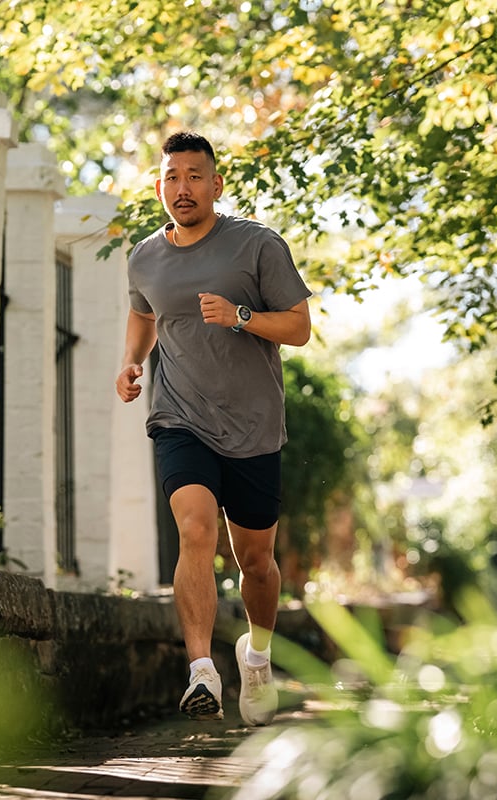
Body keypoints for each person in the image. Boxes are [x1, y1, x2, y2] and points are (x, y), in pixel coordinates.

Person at [115, 131, 312, 726]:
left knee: (256, 561)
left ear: (216, 184)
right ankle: (202, 670)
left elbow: (300, 328)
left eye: (195, 176)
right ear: (159, 187)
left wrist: (242, 316)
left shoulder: (257, 245)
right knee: (196, 529)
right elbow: (144, 311)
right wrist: (130, 360)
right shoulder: (145, 255)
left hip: (254, 426)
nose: (183, 188)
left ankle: (256, 655)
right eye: (172, 177)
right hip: (180, 418)